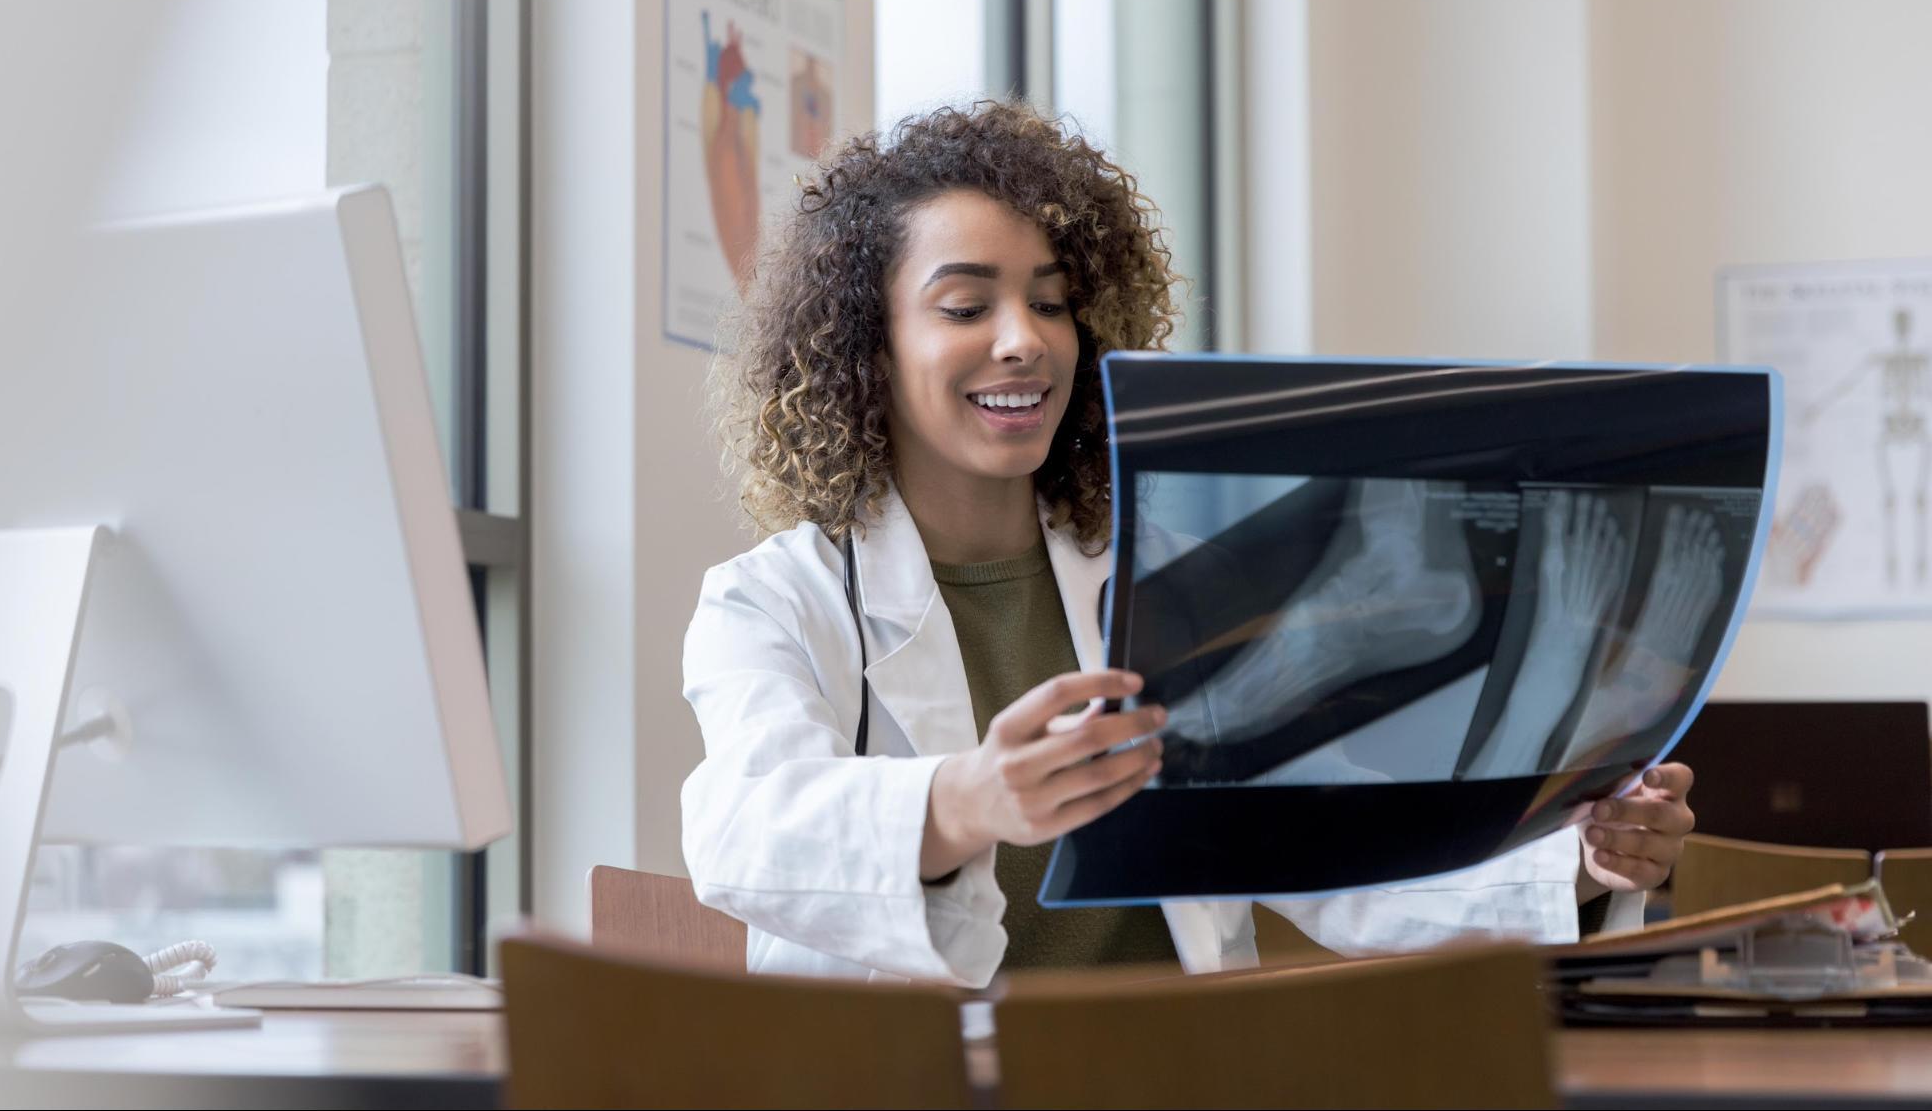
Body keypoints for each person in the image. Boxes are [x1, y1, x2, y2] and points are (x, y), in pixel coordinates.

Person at [679, 102, 1695, 987]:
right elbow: (740, 829)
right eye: (964, 305)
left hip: (1173, 1067)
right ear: (867, 347)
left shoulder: (1163, 575)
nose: (1023, 339)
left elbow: (1315, 843)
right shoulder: (772, 603)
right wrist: (964, 800)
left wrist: (1578, 857)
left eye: (1050, 300)